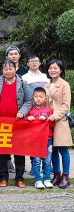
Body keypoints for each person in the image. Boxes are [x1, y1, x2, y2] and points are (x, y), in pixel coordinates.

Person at [0, 59, 32, 188]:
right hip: (0, 123)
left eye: (11, 68)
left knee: (19, 151)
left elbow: (29, 100)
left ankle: (19, 178)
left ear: (15, 69)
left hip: (18, 123)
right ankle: (3, 177)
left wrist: (22, 112)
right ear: (2, 70)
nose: (8, 71)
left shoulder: (22, 82)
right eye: (6, 69)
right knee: (1, 152)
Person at [45, 59, 72, 189]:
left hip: (60, 121)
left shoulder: (64, 84)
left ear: (61, 70)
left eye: (55, 68)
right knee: (53, 150)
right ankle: (56, 175)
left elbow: (66, 106)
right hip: (48, 122)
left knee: (63, 149)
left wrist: (54, 116)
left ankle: (66, 176)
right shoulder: (47, 84)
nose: (53, 70)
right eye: (50, 68)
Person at [26, 87, 54, 189]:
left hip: (47, 140)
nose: (38, 99)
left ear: (45, 99)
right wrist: (27, 119)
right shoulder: (29, 111)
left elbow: (52, 125)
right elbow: (25, 126)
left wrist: (47, 119)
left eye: (41, 97)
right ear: (33, 98)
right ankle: (37, 180)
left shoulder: (48, 111)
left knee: (47, 161)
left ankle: (47, 179)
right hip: (34, 141)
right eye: (36, 96)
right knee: (36, 161)